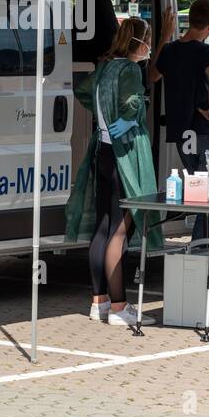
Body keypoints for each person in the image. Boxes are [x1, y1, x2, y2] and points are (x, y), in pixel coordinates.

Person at [65, 17, 160, 327]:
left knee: (104, 228)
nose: (149, 47)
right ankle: (119, 305)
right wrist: (130, 117)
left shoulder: (105, 66)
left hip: (103, 152)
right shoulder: (131, 69)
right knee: (121, 229)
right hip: (125, 154)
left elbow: (82, 91)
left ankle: (99, 301)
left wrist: (104, 116)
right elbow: (132, 102)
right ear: (139, 42)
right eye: (148, 40)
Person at [149, 0, 209, 250]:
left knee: (199, 188)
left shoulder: (172, 50)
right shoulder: (206, 51)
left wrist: (164, 37)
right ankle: (204, 245)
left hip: (181, 132)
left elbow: (152, 76)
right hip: (207, 130)